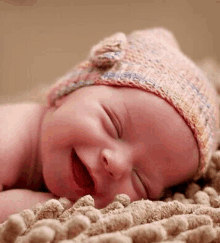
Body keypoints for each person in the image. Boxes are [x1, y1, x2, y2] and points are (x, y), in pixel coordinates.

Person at [0, 28, 219, 222]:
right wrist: (40, 205)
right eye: (112, 125)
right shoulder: (8, 134)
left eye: (140, 180)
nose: (117, 164)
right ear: (72, 89)